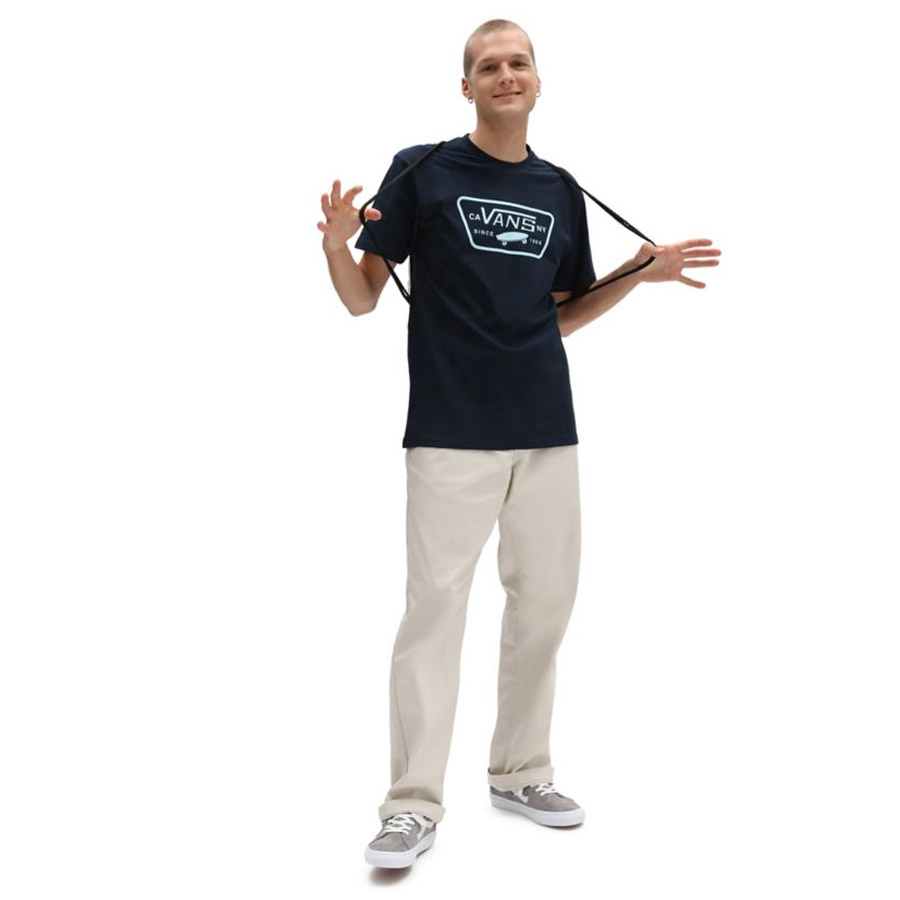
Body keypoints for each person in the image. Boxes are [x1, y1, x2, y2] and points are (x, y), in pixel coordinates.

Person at [318, 19, 721, 869]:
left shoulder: (559, 189)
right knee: (435, 614)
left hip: (545, 430)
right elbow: (361, 298)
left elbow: (562, 314)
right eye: (489, 66)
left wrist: (636, 276)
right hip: (450, 433)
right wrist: (332, 242)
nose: (506, 74)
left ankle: (520, 773)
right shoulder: (422, 169)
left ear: (538, 82)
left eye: (519, 63)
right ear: (466, 87)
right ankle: (411, 804)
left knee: (544, 607)